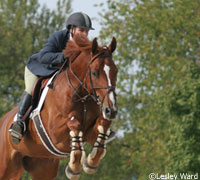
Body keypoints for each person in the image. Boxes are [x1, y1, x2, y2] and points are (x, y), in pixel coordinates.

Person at [9, 12, 115, 145]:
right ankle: (19, 122)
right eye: (81, 30)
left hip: (59, 74)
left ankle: (99, 123)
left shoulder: (86, 45)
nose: (84, 34)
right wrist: (64, 56)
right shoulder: (58, 37)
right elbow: (44, 56)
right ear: (71, 29)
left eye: (86, 31)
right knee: (31, 88)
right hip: (39, 68)